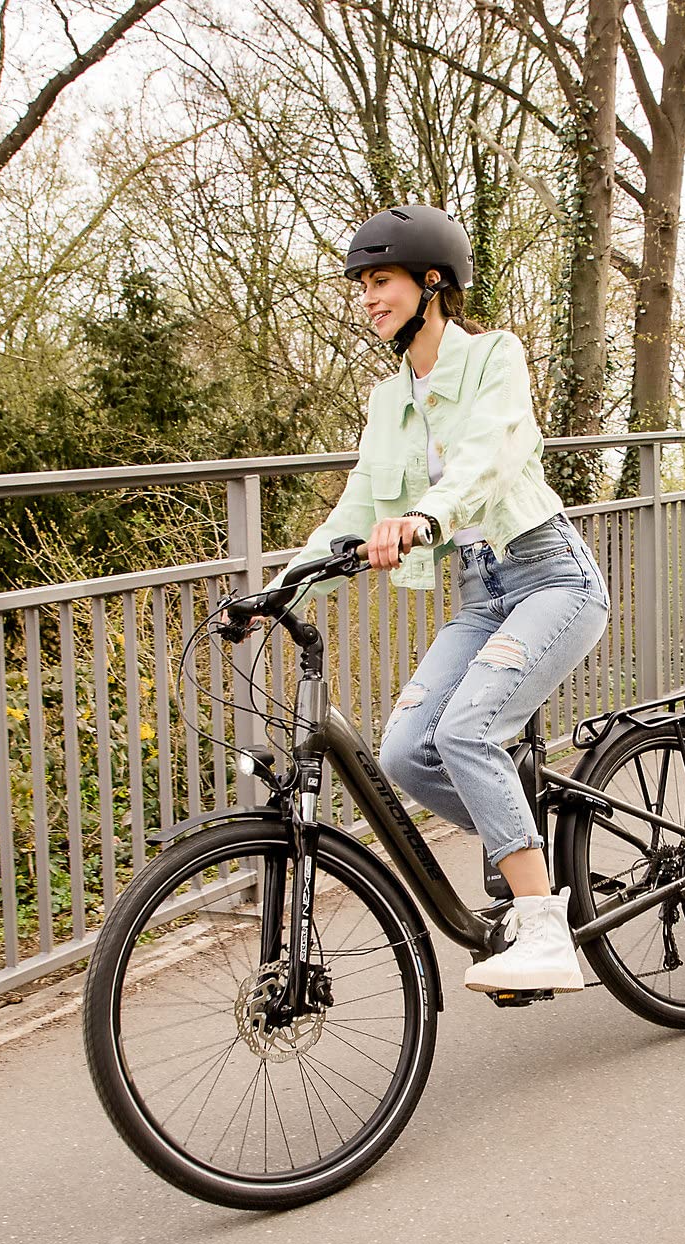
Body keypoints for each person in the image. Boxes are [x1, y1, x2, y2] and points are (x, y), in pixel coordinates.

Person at [269, 205, 609, 994]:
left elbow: (487, 459)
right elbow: (356, 506)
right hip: (479, 594)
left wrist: (425, 516)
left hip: (550, 576)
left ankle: (543, 931)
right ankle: (525, 850)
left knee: (466, 731)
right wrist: (280, 582)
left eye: (379, 280)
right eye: (360, 284)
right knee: (405, 754)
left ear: (432, 283)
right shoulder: (389, 402)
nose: (366, 296)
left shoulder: (495, 358)